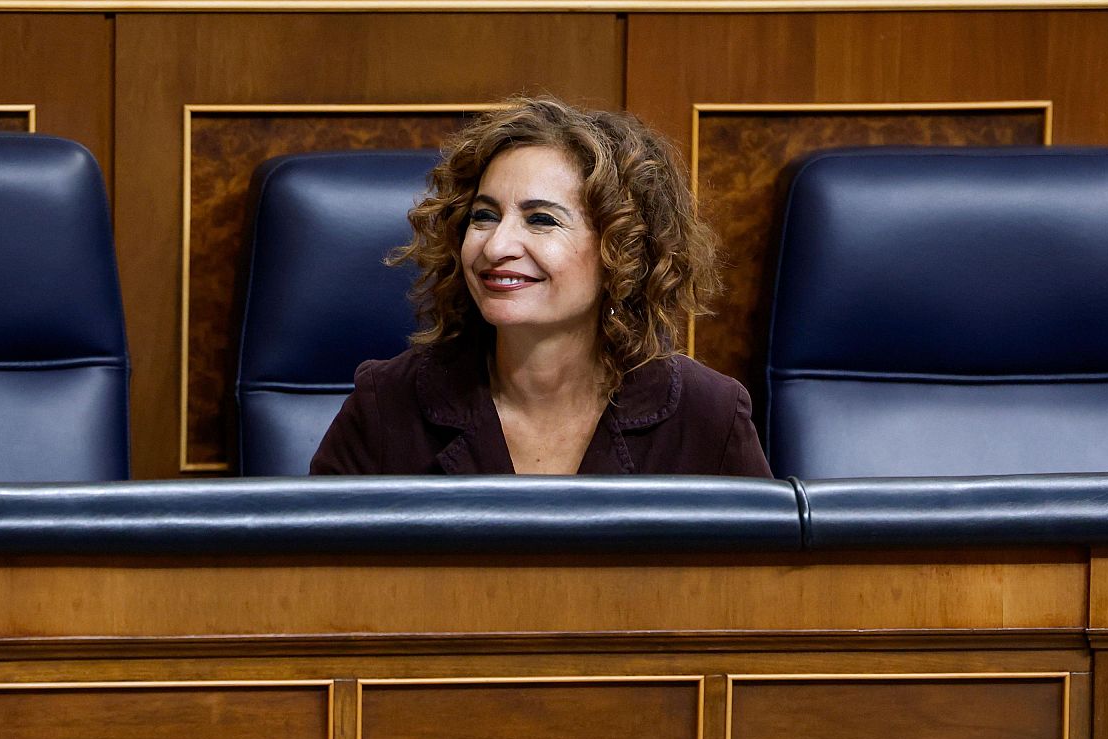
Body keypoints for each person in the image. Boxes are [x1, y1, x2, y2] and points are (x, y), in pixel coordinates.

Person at [309, 96, 772, 477]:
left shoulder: (707, 415)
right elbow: (311, 583)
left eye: (542, 220)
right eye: (484, 216)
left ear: (623, 250)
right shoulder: (386, 405)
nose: (496, 246)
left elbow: (758, 587)